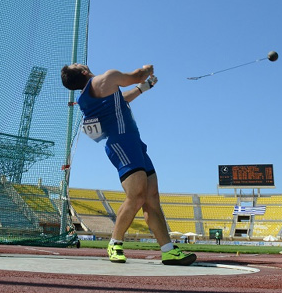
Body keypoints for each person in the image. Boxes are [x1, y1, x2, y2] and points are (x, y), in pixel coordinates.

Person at [61, 63, 196, 266]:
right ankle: (114, 243)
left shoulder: (95, 92)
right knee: (137, 195)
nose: (80, 62)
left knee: (152, 198)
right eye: (76, 64)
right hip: (121, 143)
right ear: (83, 71)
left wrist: (143, 88)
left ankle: (168, 251)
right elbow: (137, 75)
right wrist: (147, 69)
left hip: (134, 142)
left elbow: (121, 100)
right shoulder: (106, 78)